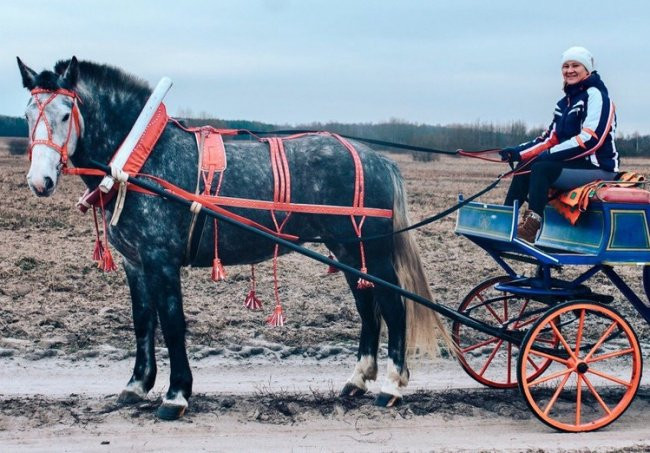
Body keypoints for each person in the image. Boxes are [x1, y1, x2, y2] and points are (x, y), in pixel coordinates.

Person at [500, 46, 619, 242]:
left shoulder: (597, 96)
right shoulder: (564, 103)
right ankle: (504, 220)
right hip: (572, 165)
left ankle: (531, 227)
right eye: (565, 66)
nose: (569, 70)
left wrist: (550, 154)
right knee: (524, 167)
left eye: (575, 65)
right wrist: (518, 153)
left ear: (587, 70)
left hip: (598, 167)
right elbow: (549, 139)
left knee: (542, 168)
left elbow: (591, 139)